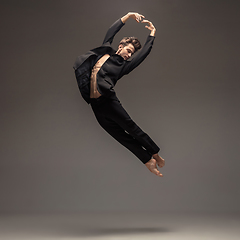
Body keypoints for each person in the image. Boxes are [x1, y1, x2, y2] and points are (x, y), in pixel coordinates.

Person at [73, 12, 165, 177]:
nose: (129, 55)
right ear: (121, 46)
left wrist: (152, 34)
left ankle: (155, 152)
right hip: (96, 106)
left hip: (109, 101)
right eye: (128, 50)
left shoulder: (123, 66)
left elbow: (143, 55)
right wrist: (128, 16)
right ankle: (147, 160)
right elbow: (111, 31)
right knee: (120, 136)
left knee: (131, 128)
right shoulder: (104, 52)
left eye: (131, 54)